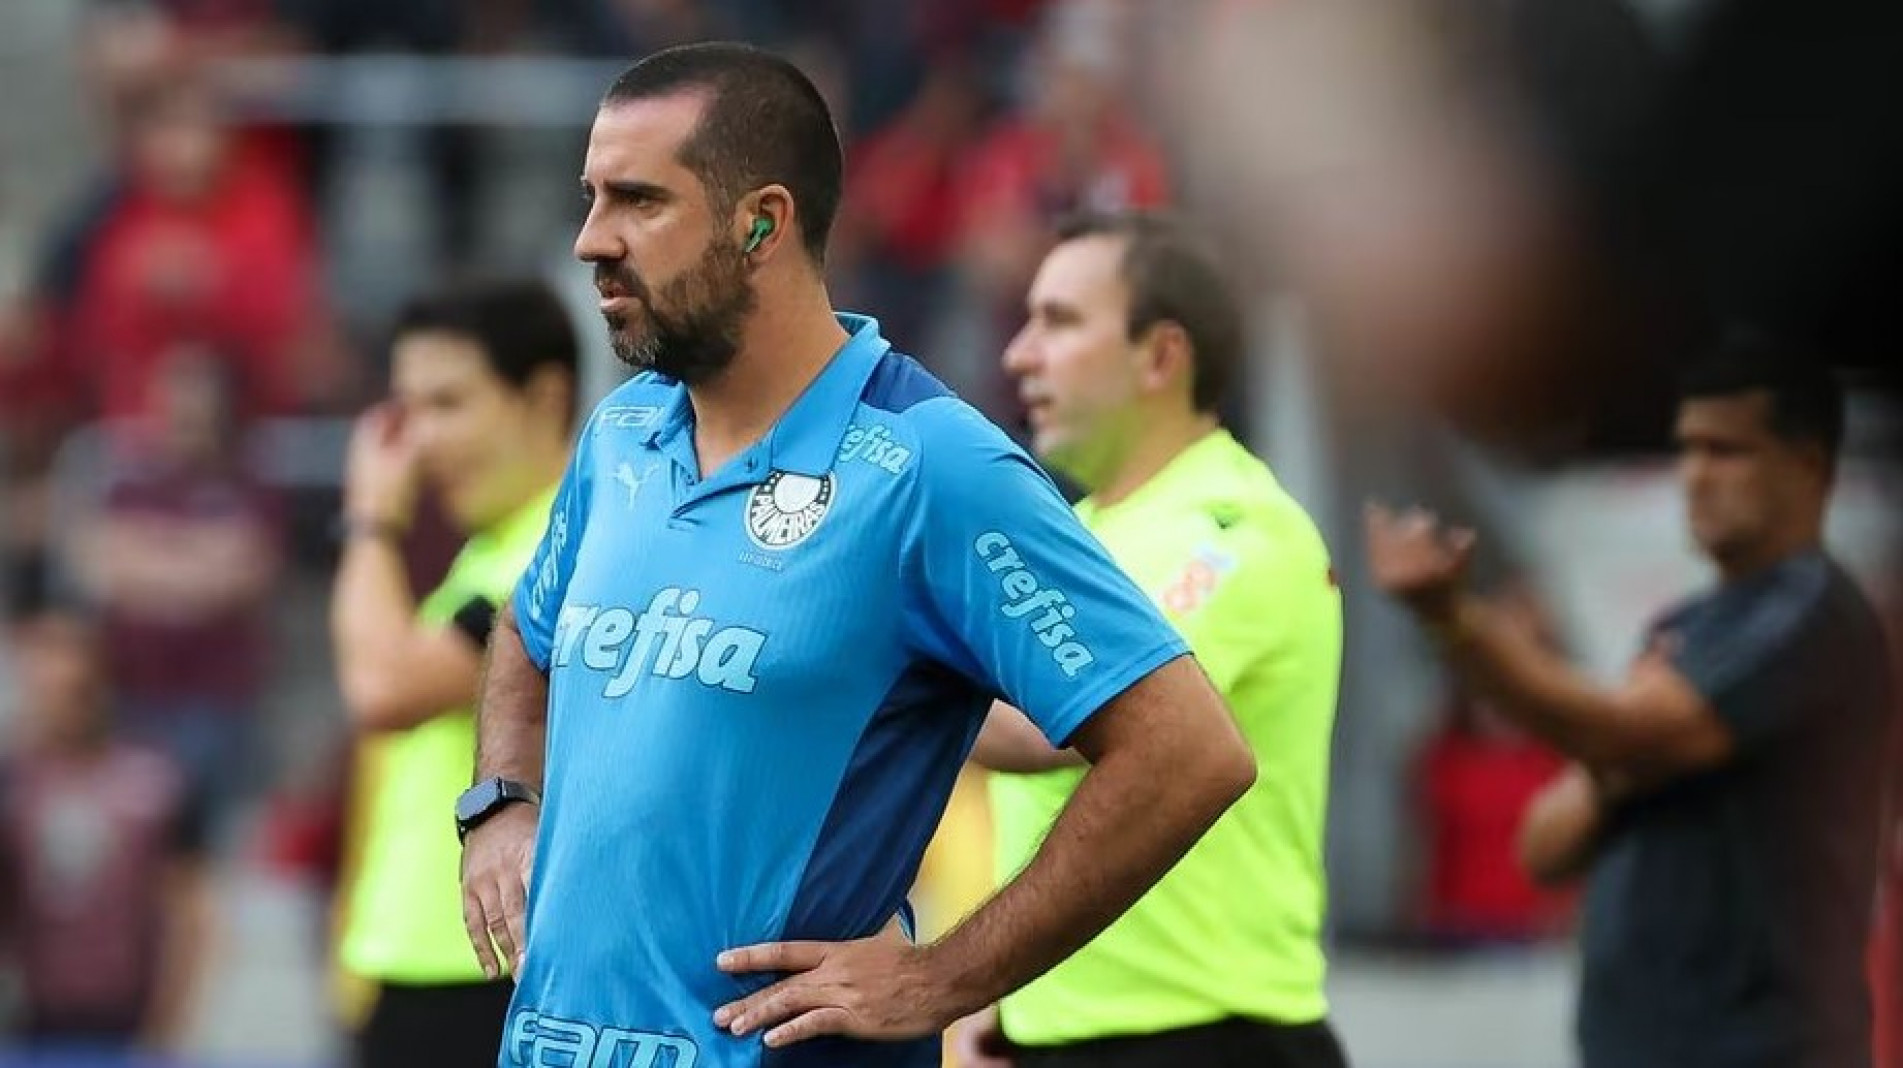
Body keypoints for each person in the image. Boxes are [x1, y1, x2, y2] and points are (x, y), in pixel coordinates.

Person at [457, 41, 1257, 1068]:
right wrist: (497, 803)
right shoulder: (621, 435)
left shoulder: (931, 464)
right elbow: (529, 631)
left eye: (639, 201)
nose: (589, 241)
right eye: (591, 198)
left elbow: (1187, 751)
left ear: (761, 222)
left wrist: (945, 977)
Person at [1367, 339, 1896, 1068]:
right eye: (1688, 450)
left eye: (1726, 452)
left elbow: (1621, 733)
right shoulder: (1683, 627)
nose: (1695, 477)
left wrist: (1455, 621)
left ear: (1805, 466)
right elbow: (1544, 845)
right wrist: (1622, 763)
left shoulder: (1811, 615)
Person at [950, 210, 1348, 1068]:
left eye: (1058, 322)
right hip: (1062, 1036)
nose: (1019, 354)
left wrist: (871, 674)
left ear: (1161, 356)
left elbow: (1059, 727)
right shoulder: (1084, 533)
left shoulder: (1233, 527)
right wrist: (1012, 1015)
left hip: (1206, 1036)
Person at [330, 279, 579, 1068]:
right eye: (405, 411)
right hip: (427, 968)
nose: (419, 442)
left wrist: (371, 519)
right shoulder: (487, 551)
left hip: (483, 975)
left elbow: (382, 687)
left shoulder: (554, 546)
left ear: (543, 397)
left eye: (447, 404)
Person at [0, 607, 211, 1055]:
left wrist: (166, 1026)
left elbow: (189, 911)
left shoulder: (154, 779)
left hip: (127, 1017)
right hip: (33, 1017)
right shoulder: (15, 782)